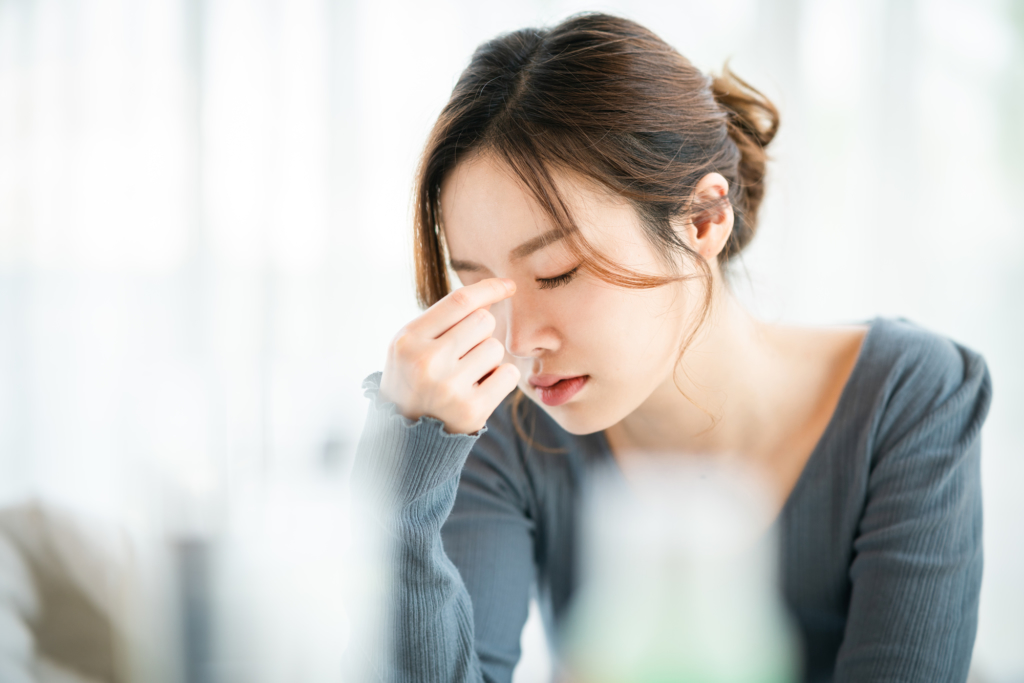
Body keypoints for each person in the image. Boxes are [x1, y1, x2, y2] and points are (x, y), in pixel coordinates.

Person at [352, 12, 992, 683]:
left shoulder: (910, 398)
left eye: (559, 272)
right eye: (481, 287)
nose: (516, 344)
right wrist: (404, 482)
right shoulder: (505, 428)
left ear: (704, 219)